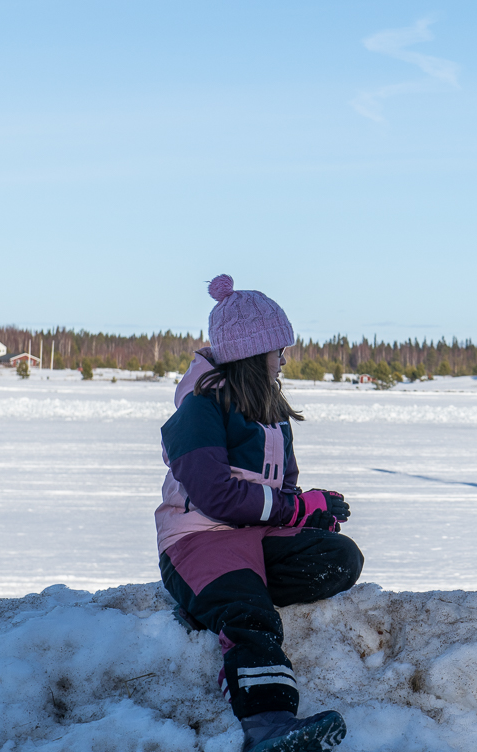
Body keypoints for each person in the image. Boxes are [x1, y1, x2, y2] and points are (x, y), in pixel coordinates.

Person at [155, 274, 362, 752]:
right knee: (251, 616)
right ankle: (268, 725)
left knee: (338, 558)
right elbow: (218, 498)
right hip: (198, 539)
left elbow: (281, 490)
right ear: (253, 354)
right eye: (278, 351)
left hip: (254, 538)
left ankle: (212, 605)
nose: (284, 360)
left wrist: (309, 512)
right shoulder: (198, 411)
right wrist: (296, 507)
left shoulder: (270, 416)